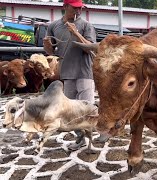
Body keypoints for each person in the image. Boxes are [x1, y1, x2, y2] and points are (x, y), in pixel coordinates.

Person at [43, 0, 106, 150]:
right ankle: (81, 139)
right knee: (71, 112)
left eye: (80, 7)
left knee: (87, 109)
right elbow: (50, 52)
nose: (78, 10)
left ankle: (98, 135)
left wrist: (76, 33)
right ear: (65, 7)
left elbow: (90, 49)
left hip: (85, 72)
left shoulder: (86, 25)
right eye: (75, 7)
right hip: (66, 73)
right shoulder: (53, 26)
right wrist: (46, 45)